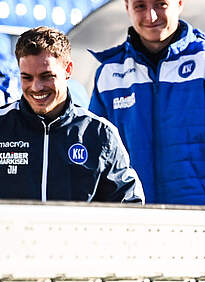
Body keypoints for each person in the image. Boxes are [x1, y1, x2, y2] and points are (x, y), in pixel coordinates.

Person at [90, 0, 205, 205]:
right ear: (127, 7)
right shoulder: (109, 74)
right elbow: (97, 161)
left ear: (179, 2)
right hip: (135, 218)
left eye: (160, 4)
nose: (151, 16)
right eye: (140, 6)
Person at [0, 27, 143, 203]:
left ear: (68, 70)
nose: (36, 87)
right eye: (27, 77)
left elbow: (128, 204)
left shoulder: (99, 133)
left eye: (47, 76)